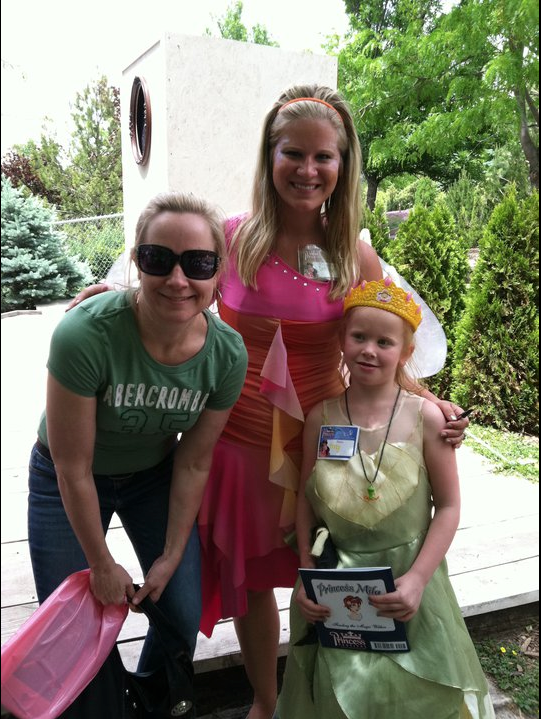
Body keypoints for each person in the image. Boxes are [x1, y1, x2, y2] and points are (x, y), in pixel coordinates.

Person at [69, 85, 469, 719]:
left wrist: (430, 401)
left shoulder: (355, 255)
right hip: (238, 445)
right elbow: (168, 283)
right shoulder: (232, 239)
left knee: (331, 572)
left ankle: (328, 698)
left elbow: (391, 342)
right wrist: (112, 296)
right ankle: (265, 701)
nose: (308, 170)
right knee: (254, 584)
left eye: (323, 156)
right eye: (293, 153)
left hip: (328, 447)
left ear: (342, 165)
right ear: (270, 156)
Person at [27, 191, 248, 713]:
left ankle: (146, 702)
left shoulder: (225, 355)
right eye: (158, 259)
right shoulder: (87, 334)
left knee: (181, 609)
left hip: (152, 474)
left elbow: (194, 460)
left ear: (218, 272)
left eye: (198, 263)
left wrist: (170, 555)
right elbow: (73, 467)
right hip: (65, 477)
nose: (178, 279)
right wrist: (102, 563)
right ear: (136, 262)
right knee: (72, 624)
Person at [275, 278, 495, 719]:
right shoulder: (321, 418)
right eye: (358, 337)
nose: (369, 351)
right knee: (340, 693)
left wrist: (417, 580)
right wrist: (307, 572)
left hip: (410, 580)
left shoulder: (427, 418)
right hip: (338, 586)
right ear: (341, 340)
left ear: (406, 352)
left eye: (384, 342)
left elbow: (448, 507)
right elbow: (306, 500)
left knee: (414, 694)